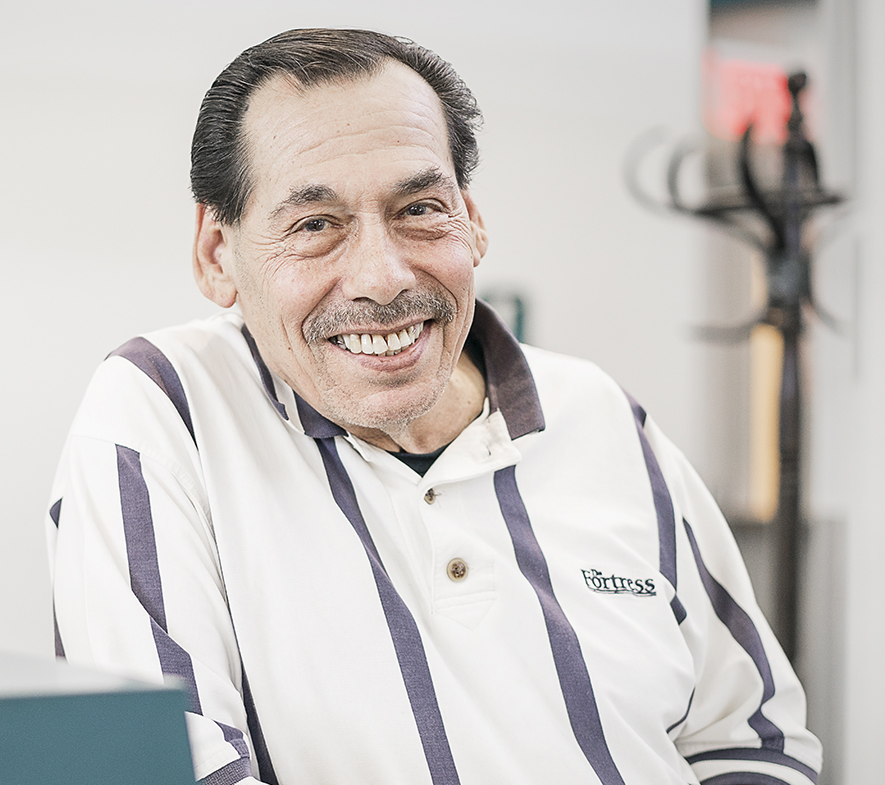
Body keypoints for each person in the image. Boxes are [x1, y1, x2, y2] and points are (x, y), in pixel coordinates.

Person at [43, 28, 821, 785]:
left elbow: (752, 738)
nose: (383, 278)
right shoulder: (164, 410)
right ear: (218, 256)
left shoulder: (602, 413)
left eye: (419, 208)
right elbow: (165, 764)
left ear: (472, 221)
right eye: (316, 224)